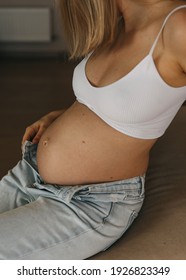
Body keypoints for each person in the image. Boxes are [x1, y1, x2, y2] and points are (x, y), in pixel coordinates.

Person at [0, 0, 186, 260]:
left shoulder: (178, 27)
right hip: (30, 173)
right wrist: (65, 118)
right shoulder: (118, 25)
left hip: (88, 203)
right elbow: (122, 100)